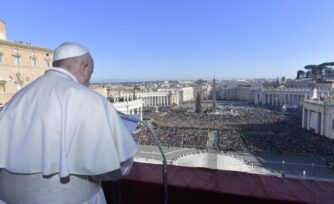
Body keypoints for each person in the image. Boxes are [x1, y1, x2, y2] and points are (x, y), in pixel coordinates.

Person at [0, 42, 138, 203]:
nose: (88, 82)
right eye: (90, 75)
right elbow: (114, 169)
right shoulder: (90, 100)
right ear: (84, 68)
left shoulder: (15, 100)